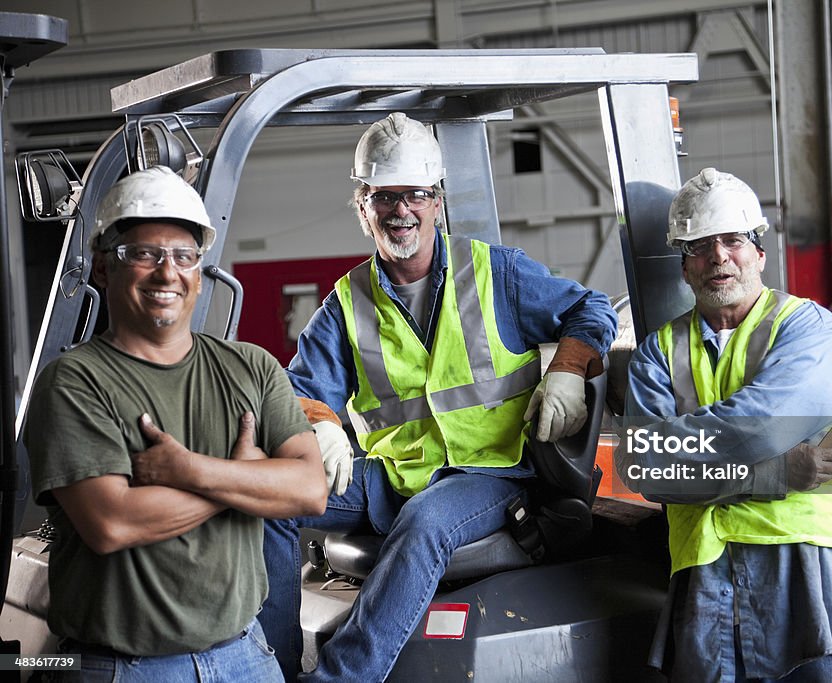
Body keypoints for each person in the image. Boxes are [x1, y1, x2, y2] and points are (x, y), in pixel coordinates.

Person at [260, 112, 617, 682]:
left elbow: (590, 308)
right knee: (268, 496)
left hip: (491, 474)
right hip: (391, 476)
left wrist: (570, 368)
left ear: (437, 202)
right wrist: (321, 424)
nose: (401, 210)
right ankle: (269, 669)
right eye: (384, 197)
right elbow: (300, 391)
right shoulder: (346, 303)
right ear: (362, 207)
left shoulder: (496, 274)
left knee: (426, 523)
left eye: (415, 195)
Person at [24, 166, 328, 682]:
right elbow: (112, 523)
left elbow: (309, 490)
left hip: (245, 658)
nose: (168, 273)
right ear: (102, 268)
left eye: (184, 256)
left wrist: (187, 470)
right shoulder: (74, 381)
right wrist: (245, 477)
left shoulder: (251, 366)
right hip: (125, 669)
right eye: (145, 254)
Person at [620, 167, 832, 682]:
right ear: (684, 267)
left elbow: (765, 426)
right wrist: (771, 474)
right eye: (699, 246)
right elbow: (646, 468)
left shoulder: (809, 328)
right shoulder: (658, 353)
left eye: (732, 241)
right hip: (707, 570)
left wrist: (680, 448)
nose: (718, 257)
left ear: (759, 253)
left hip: (809, 559)